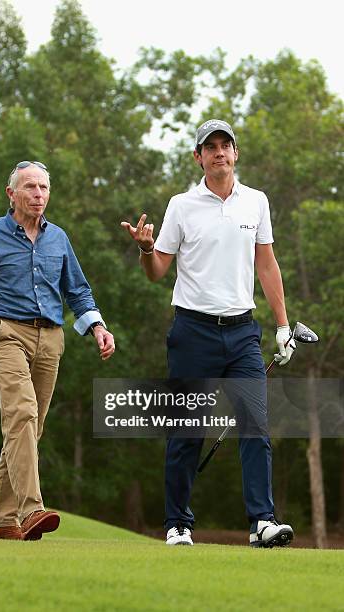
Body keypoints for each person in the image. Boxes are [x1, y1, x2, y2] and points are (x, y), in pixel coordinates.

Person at [121, 119, 295, 548]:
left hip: (242, 334)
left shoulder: (256, 202)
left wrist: (283, 324)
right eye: (210, 147)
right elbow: (157, 270)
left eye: (226, 145)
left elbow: (267, 264)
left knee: (255, 426)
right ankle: (178, 524)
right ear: (198, 156)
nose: (219, 152)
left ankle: (262, 522)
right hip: (192, 330)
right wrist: (145, 249)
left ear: (236, 154)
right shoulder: (181, 205)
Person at [0, 160, 115, 541]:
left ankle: (2, 521)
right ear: (11, 193)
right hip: (7, 334)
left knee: (30, 428)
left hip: (51, 339)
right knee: (22, 414)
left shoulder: (59, 239)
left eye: (43, 188)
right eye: (30, 187)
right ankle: (31, 509)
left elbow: (77, 290)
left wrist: (97, 327)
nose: (38, 195)